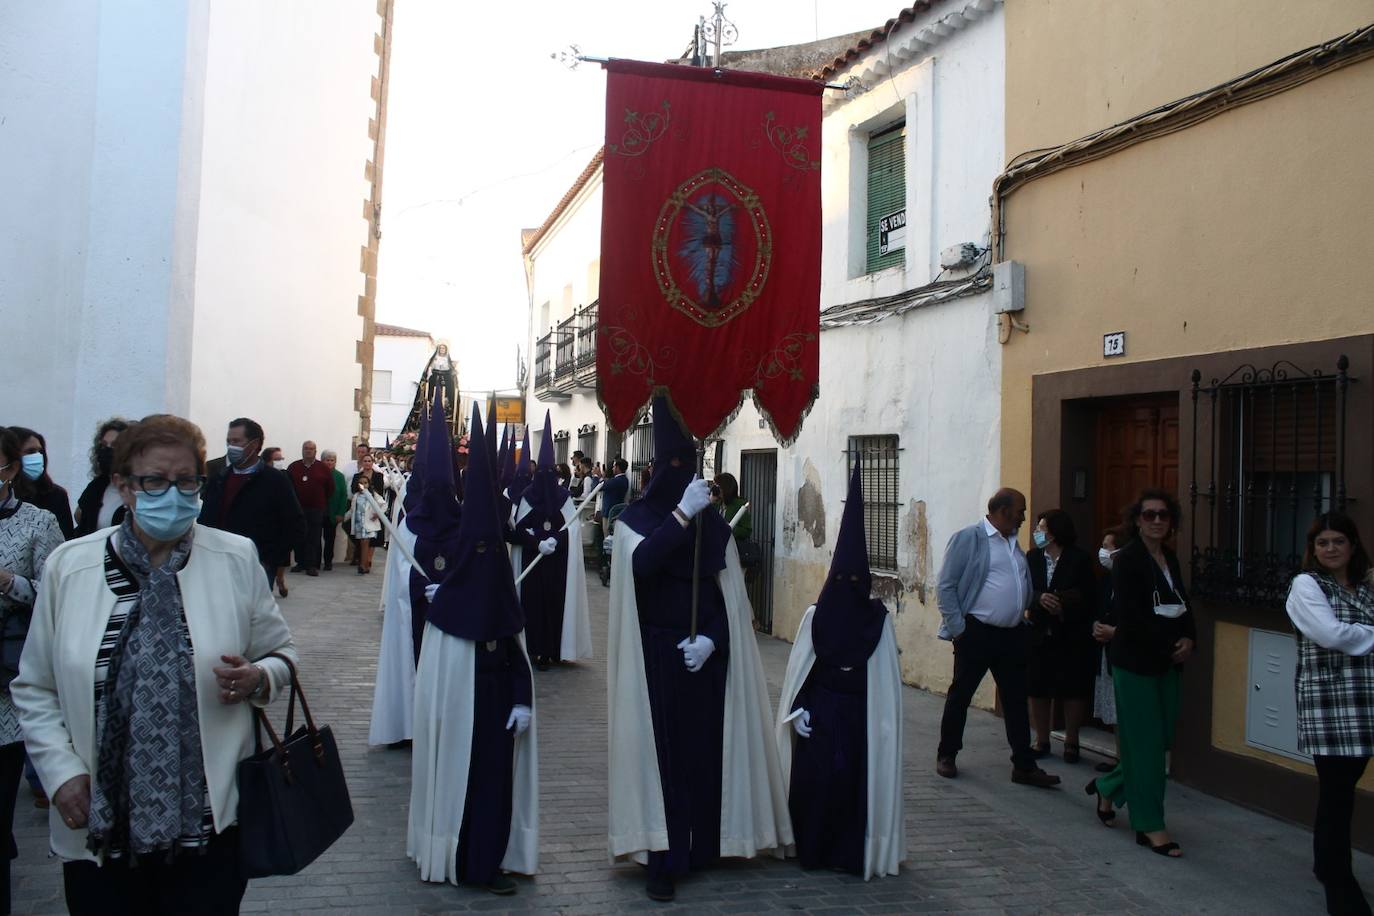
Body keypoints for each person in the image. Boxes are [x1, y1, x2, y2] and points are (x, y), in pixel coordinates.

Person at [13, 413, 297, 915]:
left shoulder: (233, 558)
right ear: (124, 487)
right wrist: (59, 773)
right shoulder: (70, 568)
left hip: (211, 825)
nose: (175, 493)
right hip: (100, 825)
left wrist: (259, 676)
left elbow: (282, 656)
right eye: (155, 481)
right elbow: (36, 685)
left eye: (187, 480)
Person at [606, 398, 791, 902]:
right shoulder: (634, 520)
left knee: (704, 754)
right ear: (654, 469)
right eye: (671, 467)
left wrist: (712, 639)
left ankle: (705, 843)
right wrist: (682, 515)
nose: (679, 475)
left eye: (687, 468)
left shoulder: (716, 528)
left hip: (703, 660)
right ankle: (664, 858)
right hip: (655, 659)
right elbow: (641, 568)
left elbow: (727, 599)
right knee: (662, 760)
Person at [408, 403, 537, 895]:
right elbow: (435, 681)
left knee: (495, 784)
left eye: (492, 551)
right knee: (457, 779)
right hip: (460, 706)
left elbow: (517, 651)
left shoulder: (501, 594)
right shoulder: (444, 619)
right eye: (476, 552)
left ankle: (489, 861)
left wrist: (523, 699)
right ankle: (449, 850)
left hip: (498, 702)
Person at [775, 457, 903, 879]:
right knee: (817, 786)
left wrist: (878, 725)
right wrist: (798, 710)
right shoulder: (816, 617)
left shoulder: (879, 624)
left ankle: (851, 852)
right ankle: (811, 848)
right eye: (841, 579)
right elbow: (800, 675)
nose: (848, 588)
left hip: (859, 719)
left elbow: (885, 688)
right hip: (822, 714)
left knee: (852, 787)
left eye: (855, 580)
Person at [1086, 488, 1195, 857]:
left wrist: (1189, 639)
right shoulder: (1127, 561)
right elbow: (1133, 618)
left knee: (1159, 739)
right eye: (1149, 515)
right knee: (1147, 746)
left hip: (1166, 663)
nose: (1157, 521)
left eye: (1163, 515)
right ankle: (1150, 824)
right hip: (1134, 664)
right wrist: (1169, 642)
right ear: (1137, 520)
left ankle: (1109, 787)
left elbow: (1182, 604)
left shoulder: (1170, 559)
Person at [934, 489, 1060, 788]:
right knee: (961, 696)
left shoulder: (1013, 543)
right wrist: (959, 630)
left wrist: (1035, 598)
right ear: (1003, 511)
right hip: (977, 633)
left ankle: (1024, 765)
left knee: (1016, 700)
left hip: (1013, 635)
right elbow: (946, 586)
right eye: (1020, 511)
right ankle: (947, 754)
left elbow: (1017, 585)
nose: (1024, 517)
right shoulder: (970, 538)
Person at [1285, 512, 1374, 915]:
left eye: (1338, 541)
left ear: (1352, 545)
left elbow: (1346, 634)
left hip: (1366, 703)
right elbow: (1330, 634)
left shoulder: (1364, 587)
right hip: (1330, 704)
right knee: (1337, 795)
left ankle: (1325, 863)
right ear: (1313, 550)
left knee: (1343, 790)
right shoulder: (1306, 585)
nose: (1331, 549)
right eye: (1323, 543)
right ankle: (1340, 888)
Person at [0, 427, 64, 912]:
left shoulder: (38, 522)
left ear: (10, 470)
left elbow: (51, 595)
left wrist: (7, 582)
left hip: (5, 686)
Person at [510, 412, 592, 671]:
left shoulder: (564, 497)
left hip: (557, 564)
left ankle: (555, 648)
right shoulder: (526, 495)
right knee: (533, 606)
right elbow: (515, 529)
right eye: (542, 471)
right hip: (531, 563)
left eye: (549, 470)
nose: (545, 476)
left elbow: (572, 529)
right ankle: (535, 649)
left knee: (554, 605)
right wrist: (535, 542)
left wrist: (556, 540)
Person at [1025, 509, 1097, 763]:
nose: (1037, 532)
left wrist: (1063, 604)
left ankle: (1072, 740)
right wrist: (1038, 598)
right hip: (1039, 631)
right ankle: (1041, 738)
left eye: (1042, 528)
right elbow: (1024, 588)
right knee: (1038, 685)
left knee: (1072, 687)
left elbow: (1089, 594)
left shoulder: (1079, 559)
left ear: (1055, 532)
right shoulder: (1032, 558)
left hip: (1070, 633)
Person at [199, 418, 305, 589]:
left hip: (257, 566)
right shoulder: (219, 478)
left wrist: (270, 560)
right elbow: (206, 519)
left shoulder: (275, 480)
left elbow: (295, 524)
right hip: (219, 563)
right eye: (228, 441)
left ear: (255, 444)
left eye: (236, 441)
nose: (231, 446)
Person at [1092, 527, 1125, 772]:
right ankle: (1119, 756)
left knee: (1125, 706)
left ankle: (1126, 759)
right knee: (1114, 706)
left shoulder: (1130, 582)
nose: (1103, 551)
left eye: (1109, 546)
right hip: (1106, 651)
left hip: (1124, 652)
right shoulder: (1107, 580)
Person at [11, 427, 75, 539]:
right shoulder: (6, 495)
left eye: (40, 451)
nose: (37, 456)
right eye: (30, 451)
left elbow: (66, 540)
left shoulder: (56, 495)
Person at [73, 417, 130, 537]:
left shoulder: (139, 489)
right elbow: (80, 516)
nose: (108, 450)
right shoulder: (98, 485)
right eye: (104, 445)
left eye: (115, 445)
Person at [287, 441, 333, 577]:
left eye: (311, 449)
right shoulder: (294, 467)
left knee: (313, 537)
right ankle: (300, 562)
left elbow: (330, 488)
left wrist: (320, 500)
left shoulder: (323, 468)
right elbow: (288, 486)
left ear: (315, 451)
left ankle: (311, 565)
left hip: (316, 509)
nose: (308, 451)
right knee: (299, 536)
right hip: (298, 509)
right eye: (306, 449)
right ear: (302, 450)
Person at [349, 454, 385, 575]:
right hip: (359, 522)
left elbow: (383, 503)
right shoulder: (356, 495)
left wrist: (377, 514)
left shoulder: (375, 488)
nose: (367, 463)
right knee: (362, 543)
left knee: (367, 543)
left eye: (369, 461)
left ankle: (364, 564)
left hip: (369, 520)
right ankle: (362, 563)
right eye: (365, 461)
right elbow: (352, 509)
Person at [342, 441, 370, 565]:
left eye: (363, 452)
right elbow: (344, 482)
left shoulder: (373, 467)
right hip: (350, 501)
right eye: (359, 452)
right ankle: (356, 551)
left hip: (365, 504)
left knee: (362, 530)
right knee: (346, 525)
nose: (360, 454)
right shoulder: (349, 466)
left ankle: (359, 556)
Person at [322, 450, 348, 571]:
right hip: (318, 511)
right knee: (315, 538)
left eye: (332, 460)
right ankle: (314, 562)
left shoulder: (339, 476)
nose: (330, 462)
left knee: (330, 539)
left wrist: (340, 513)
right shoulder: (318, 473)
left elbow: (343, 495)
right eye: (327, 460)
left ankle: (328, 562)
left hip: (332, 513)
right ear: (322, 461)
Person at [712, 472, 751, 543]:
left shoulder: (739, 505)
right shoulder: (715, 504)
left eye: (718, 487)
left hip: (731, 545)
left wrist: (729, 528)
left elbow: (747, 530)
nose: (716, 490)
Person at [598, 458, 629, 537]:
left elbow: (600, 486)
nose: (612, 468)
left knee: (607, 536)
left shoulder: (618, 480)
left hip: (610, 512)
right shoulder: (622, 480)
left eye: (614, 466)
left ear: (618, 468)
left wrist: (598, 476)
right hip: (612, 511)